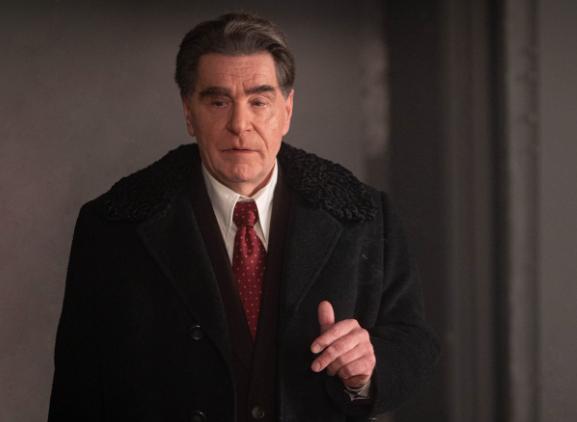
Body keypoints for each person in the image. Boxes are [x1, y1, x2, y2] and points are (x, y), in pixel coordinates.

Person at [48, 12, 439, 422]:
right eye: (218, 102)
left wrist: (366, 372)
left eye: (259, 102)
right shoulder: (113, 228)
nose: (239, 125)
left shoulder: (366, 216)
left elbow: (412, 341)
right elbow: (78, 391)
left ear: (287, 110)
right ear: (188, 113)